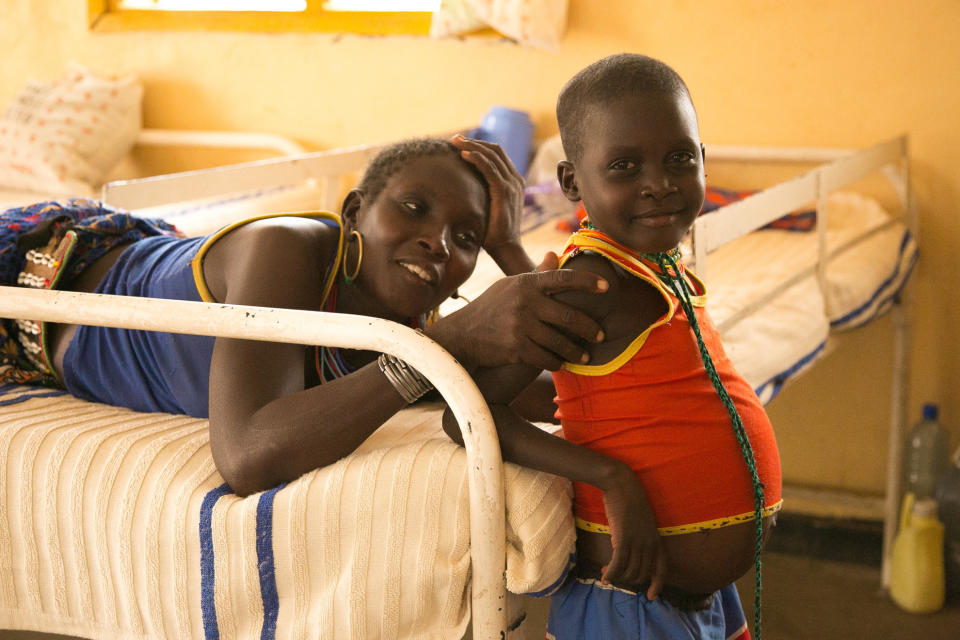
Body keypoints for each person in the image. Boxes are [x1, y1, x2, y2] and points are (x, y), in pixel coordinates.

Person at [0, 135, 611, 497]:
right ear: (353, 213)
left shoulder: (413, 330)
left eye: (468, 237)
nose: (438, 243)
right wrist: (434, 350)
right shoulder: (285, 247)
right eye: (414, 208)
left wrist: (510, 251)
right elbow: (244, 455)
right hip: (43, 277)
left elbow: (561, 396)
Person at [441, 54, 782, 639]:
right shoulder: (598, 279)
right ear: (573, 182)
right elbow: (462, 416)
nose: (660, 183)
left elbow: (587, 364)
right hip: (634, 604)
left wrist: (509, 248)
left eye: (681, 157)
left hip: (696, 598)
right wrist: (609, 477)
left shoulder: (654, 260)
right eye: (625, 166)